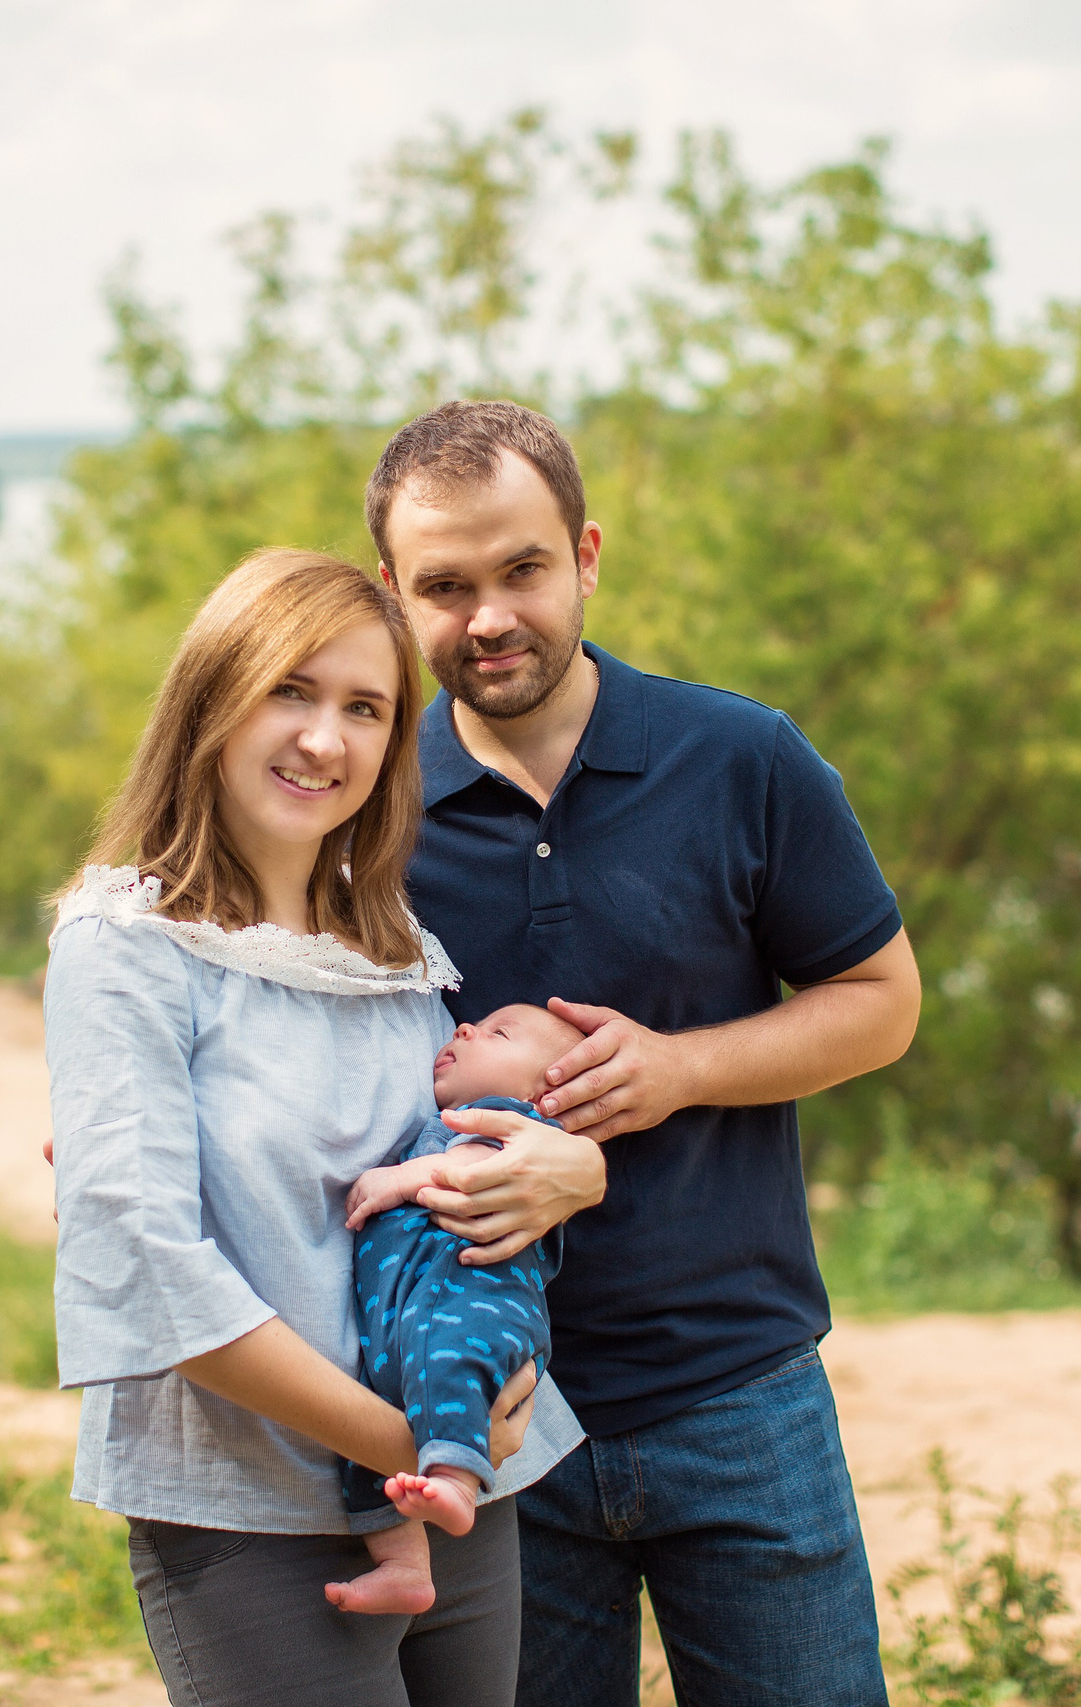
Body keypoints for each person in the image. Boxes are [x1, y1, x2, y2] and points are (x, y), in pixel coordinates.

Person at [368, 401, 925, 1707]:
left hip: (740, 1388)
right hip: (487, 1410)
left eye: (523, 569)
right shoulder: (365, 807)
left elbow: (881, 999)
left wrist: (679, 1067)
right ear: (394, 593)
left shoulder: (743, 757)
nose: (490, 616)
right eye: (445, 587)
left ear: (588, 554)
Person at [41, 547, 587, 1707]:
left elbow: (460, 1168)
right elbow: (146, 1265)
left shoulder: (397, 955)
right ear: (211, 699)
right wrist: (404, 1442)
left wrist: (566, 1173)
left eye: (365, 708)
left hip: (460, 1490)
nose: (324, 740)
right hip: (251, 1509)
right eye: (290, 689)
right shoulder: (122, 947)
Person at [329, 1002, 585, 1617]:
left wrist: (408, 1178)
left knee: (451, 1376)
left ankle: (456, 1483)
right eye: (470, 1025)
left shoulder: (519, 1130)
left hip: (475, 1308)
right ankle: (404, 1563)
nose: (465, 1028)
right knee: (364, 1446)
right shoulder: (441, 1129)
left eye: (499, 1033)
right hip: (408, 1320)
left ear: (543, 1092)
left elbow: (484, 1172)